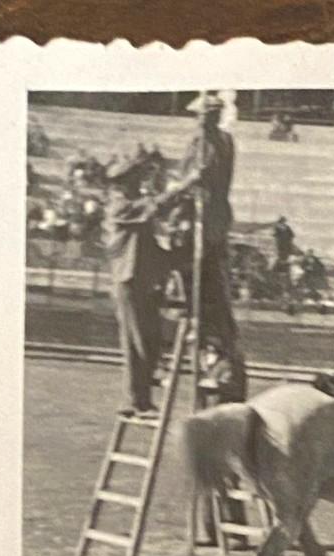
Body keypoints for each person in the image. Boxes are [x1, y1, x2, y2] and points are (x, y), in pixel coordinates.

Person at [103, 151, 199, 416]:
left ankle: (141, 398)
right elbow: (153, 207)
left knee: (152, 340)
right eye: (135, 178)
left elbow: (152, 248)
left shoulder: (131, 207)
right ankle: (134, 401)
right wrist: (182, 187)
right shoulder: (120, 206)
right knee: (137, 342)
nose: (140, 182)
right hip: (129, 281)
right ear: (122, 182)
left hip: (143, 281)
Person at [182, 93, 247, 402]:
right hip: (214, 219)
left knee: (204, 283)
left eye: (202, 115)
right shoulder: (223, 139)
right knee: (210, 283)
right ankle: (211, 346)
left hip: (206, 219)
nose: (197, 120)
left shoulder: (207, 141)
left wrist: (176, 190)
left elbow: (198, 176)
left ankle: (211, 350)